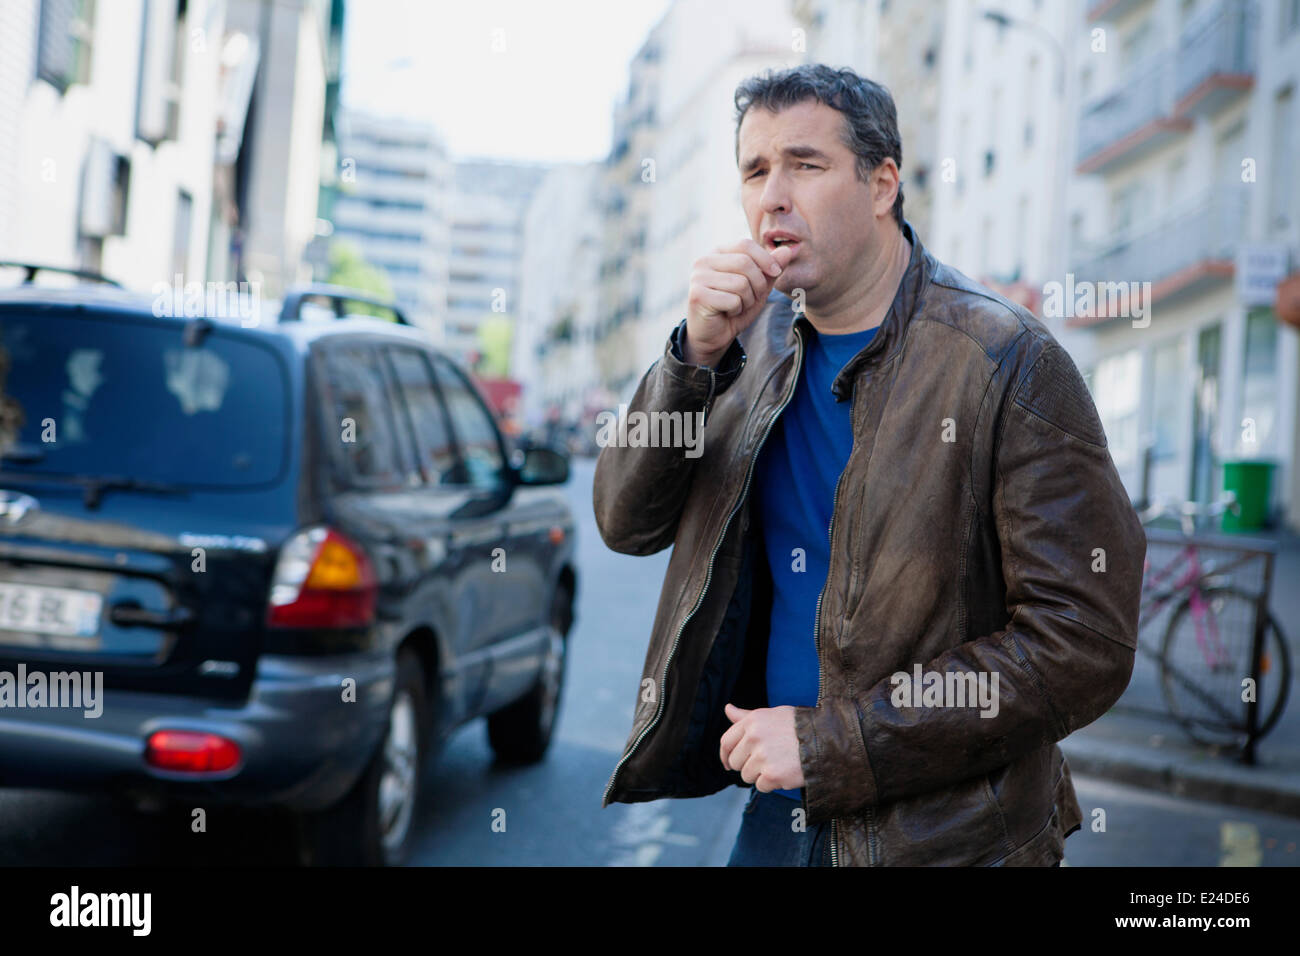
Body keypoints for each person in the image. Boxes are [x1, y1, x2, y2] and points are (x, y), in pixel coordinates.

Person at [592, 63, 1146, 866]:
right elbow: (625, 521)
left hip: (947, 841)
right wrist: (692, 357)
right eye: (755, 171)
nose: (772, 196)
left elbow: (1083, 640)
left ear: (882, 183)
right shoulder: (740, 347)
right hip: (776, 812)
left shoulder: (1004, 358)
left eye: (805, 165)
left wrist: (833, 744)